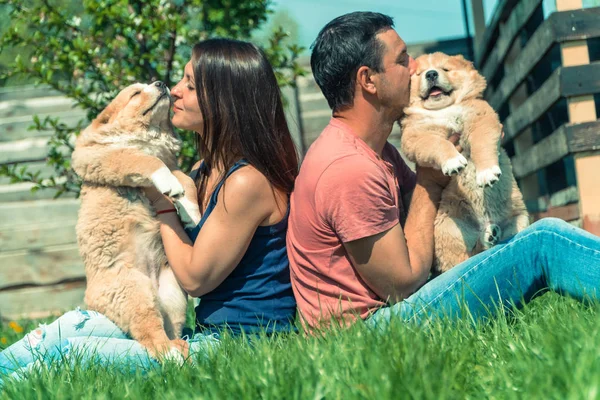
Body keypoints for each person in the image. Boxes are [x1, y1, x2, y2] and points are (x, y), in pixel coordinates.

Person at [0, 38, 298, 384]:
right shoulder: (204, 169)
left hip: (241, 345)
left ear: (224, 97)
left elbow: (196, 279)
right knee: (59, 334)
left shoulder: (248, 182)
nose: (175, 91)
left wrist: (161, 204)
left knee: (66, 354)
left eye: (190, 84)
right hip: (203, 333)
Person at [287, 11, 600, 332]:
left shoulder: (378, 152)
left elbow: (430, 214)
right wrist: (429, 181)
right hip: (367, 334)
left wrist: (475, 134)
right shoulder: (347, 168)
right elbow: (402, 283)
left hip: (385, 316)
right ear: (368, 80)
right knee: (543, 241)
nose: (415, 68)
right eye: (403, 59)